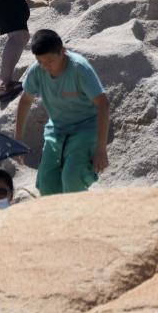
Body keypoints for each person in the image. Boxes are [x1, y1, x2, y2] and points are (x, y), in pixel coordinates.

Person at [14, 29, 109, 196]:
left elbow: (103, 104)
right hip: (57, 129)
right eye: (40, 61)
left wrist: (101, 148)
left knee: (72, 179)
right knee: (46, 183)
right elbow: (25, 100)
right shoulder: (37, 70)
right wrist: (18, 139)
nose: (46, 66)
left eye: (50, 61)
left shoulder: (79, 68)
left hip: (86, 129)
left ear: (62, 52)